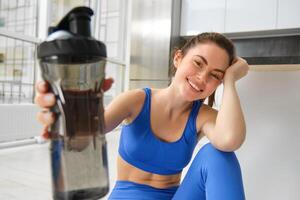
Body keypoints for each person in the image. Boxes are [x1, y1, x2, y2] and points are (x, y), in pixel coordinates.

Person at [35, 32, 249, 200]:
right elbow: (91, 129)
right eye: (198, 63)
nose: (202, 78)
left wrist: (229, 80)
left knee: (218, 155)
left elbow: (229, 140)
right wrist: (68, 109)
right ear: (178, 58)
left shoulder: (202, 117)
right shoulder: (137, 101)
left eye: (215, 75)